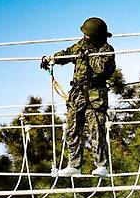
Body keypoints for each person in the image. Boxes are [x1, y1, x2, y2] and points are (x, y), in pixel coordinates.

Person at [40, 17, 116, 178]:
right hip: (77, 94)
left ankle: (101, 166)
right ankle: (74, 165)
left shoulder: (106, 49)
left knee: (97, 129)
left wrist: (88, 55)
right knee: (73, 130)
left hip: (95, 96)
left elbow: (102, 69)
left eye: (88, 36)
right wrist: (51, 59)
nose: (85, 38)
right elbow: (67, 53)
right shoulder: (81, 45)